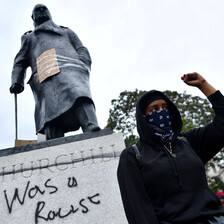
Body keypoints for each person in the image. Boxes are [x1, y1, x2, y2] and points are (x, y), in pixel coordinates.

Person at [117, 72, 224, 224]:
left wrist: (203, 85)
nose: (161, 112)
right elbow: (139, 210)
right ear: (143, 117)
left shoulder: (188, 141)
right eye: (154, 109)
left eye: (165, 107)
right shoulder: (133, 155)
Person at [10, 4, 100, 140]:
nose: (41, 11)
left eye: (44, 8)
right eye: (37, 10)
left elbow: (81, 49)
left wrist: (83, 63)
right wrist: (17, 81)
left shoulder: (66, 31)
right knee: (49, 110)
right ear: (32, 17)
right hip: (45, 71)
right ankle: (51, 139)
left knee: (79, 93)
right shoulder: (30, 38)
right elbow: (20, 62)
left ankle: (90, 125)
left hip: (72, 68)